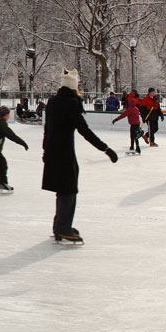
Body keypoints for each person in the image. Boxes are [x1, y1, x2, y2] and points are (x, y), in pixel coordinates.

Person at [42, 69, 118, 244]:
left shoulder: (53, 101)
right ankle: (63, 228)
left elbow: (47, 129)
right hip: (64, 152)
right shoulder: (71, 103)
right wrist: (105, 149)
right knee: (69, 189)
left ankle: (60, 226)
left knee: (63, 189)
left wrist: (45, 151)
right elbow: (84, 130)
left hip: (53, 150)